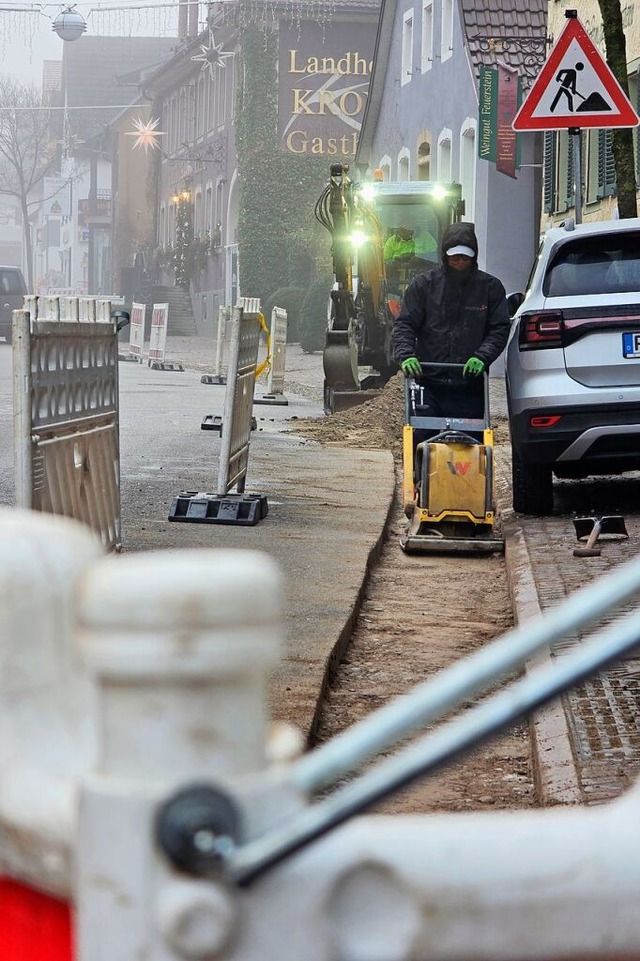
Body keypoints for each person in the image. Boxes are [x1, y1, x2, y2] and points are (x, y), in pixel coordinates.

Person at [392, 221, 510, 418]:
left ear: (474, 257)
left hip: (468, 383)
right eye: (454, 258)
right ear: (445, 255)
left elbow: (499, 328)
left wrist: (482, 356)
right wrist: (406, 354)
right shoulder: (424, 286)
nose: (460, 263)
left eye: (465, 258)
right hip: (427, 380)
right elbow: (405, 324)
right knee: (422, 440)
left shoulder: (489, 288)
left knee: (469, 443)